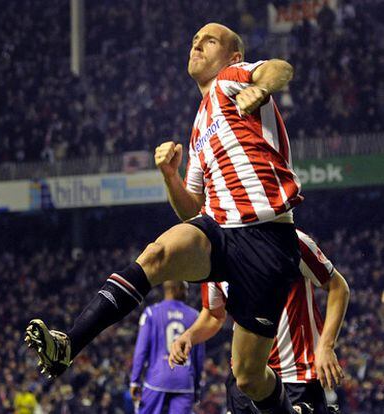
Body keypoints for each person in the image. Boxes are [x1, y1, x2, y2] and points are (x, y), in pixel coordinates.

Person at [26, 22, 304, 413]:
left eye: (209, 41)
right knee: (156, 255)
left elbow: (280, 67)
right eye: (194, 40)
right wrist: (169, 176)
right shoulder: (197, 129)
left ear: (233, 57)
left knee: (248, 376)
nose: (197, 44)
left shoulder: (230, 81)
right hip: (221, 231)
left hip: (266, 241)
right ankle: (68, 344)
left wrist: (260, 87)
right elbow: (192, 209)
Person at [169, 230, 349, 414]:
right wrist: (189, 336)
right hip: (244, 379)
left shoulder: (291, 240)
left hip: (296, 377)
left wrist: (326, 346)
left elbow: (338, 287)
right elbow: (213, 315)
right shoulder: (216, 258)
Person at [129, 281, 205, 414]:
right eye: (185, 289)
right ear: (177, 289)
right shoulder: (195, 317)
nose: (187, 293)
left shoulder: (151, 313)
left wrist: (135, 381)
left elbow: (141, 351)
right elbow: (199, 356)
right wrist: (196, 386)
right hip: (184, 382)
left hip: (156, 379)